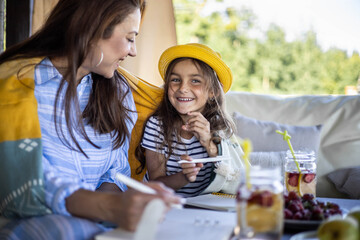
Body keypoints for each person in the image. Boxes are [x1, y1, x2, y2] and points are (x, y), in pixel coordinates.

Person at [0, 0, 181, 239]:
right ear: (92, 30)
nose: (133, 51)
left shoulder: (119, 92)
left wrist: (124, 204)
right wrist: (105, 206)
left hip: (98, 226)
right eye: (129, 37)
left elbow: (114, 173)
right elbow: (24, 176)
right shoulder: (13, 87)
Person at [136, 43, 245, 197]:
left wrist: (208, 141)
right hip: (166, 204)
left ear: (212, 91)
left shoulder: (219, 126)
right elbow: (156, 182)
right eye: (175, 79)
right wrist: (183, 177)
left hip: (206, 207)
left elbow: (234, 176)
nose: (182, 88)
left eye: (195, 81)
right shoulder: (157, 125)